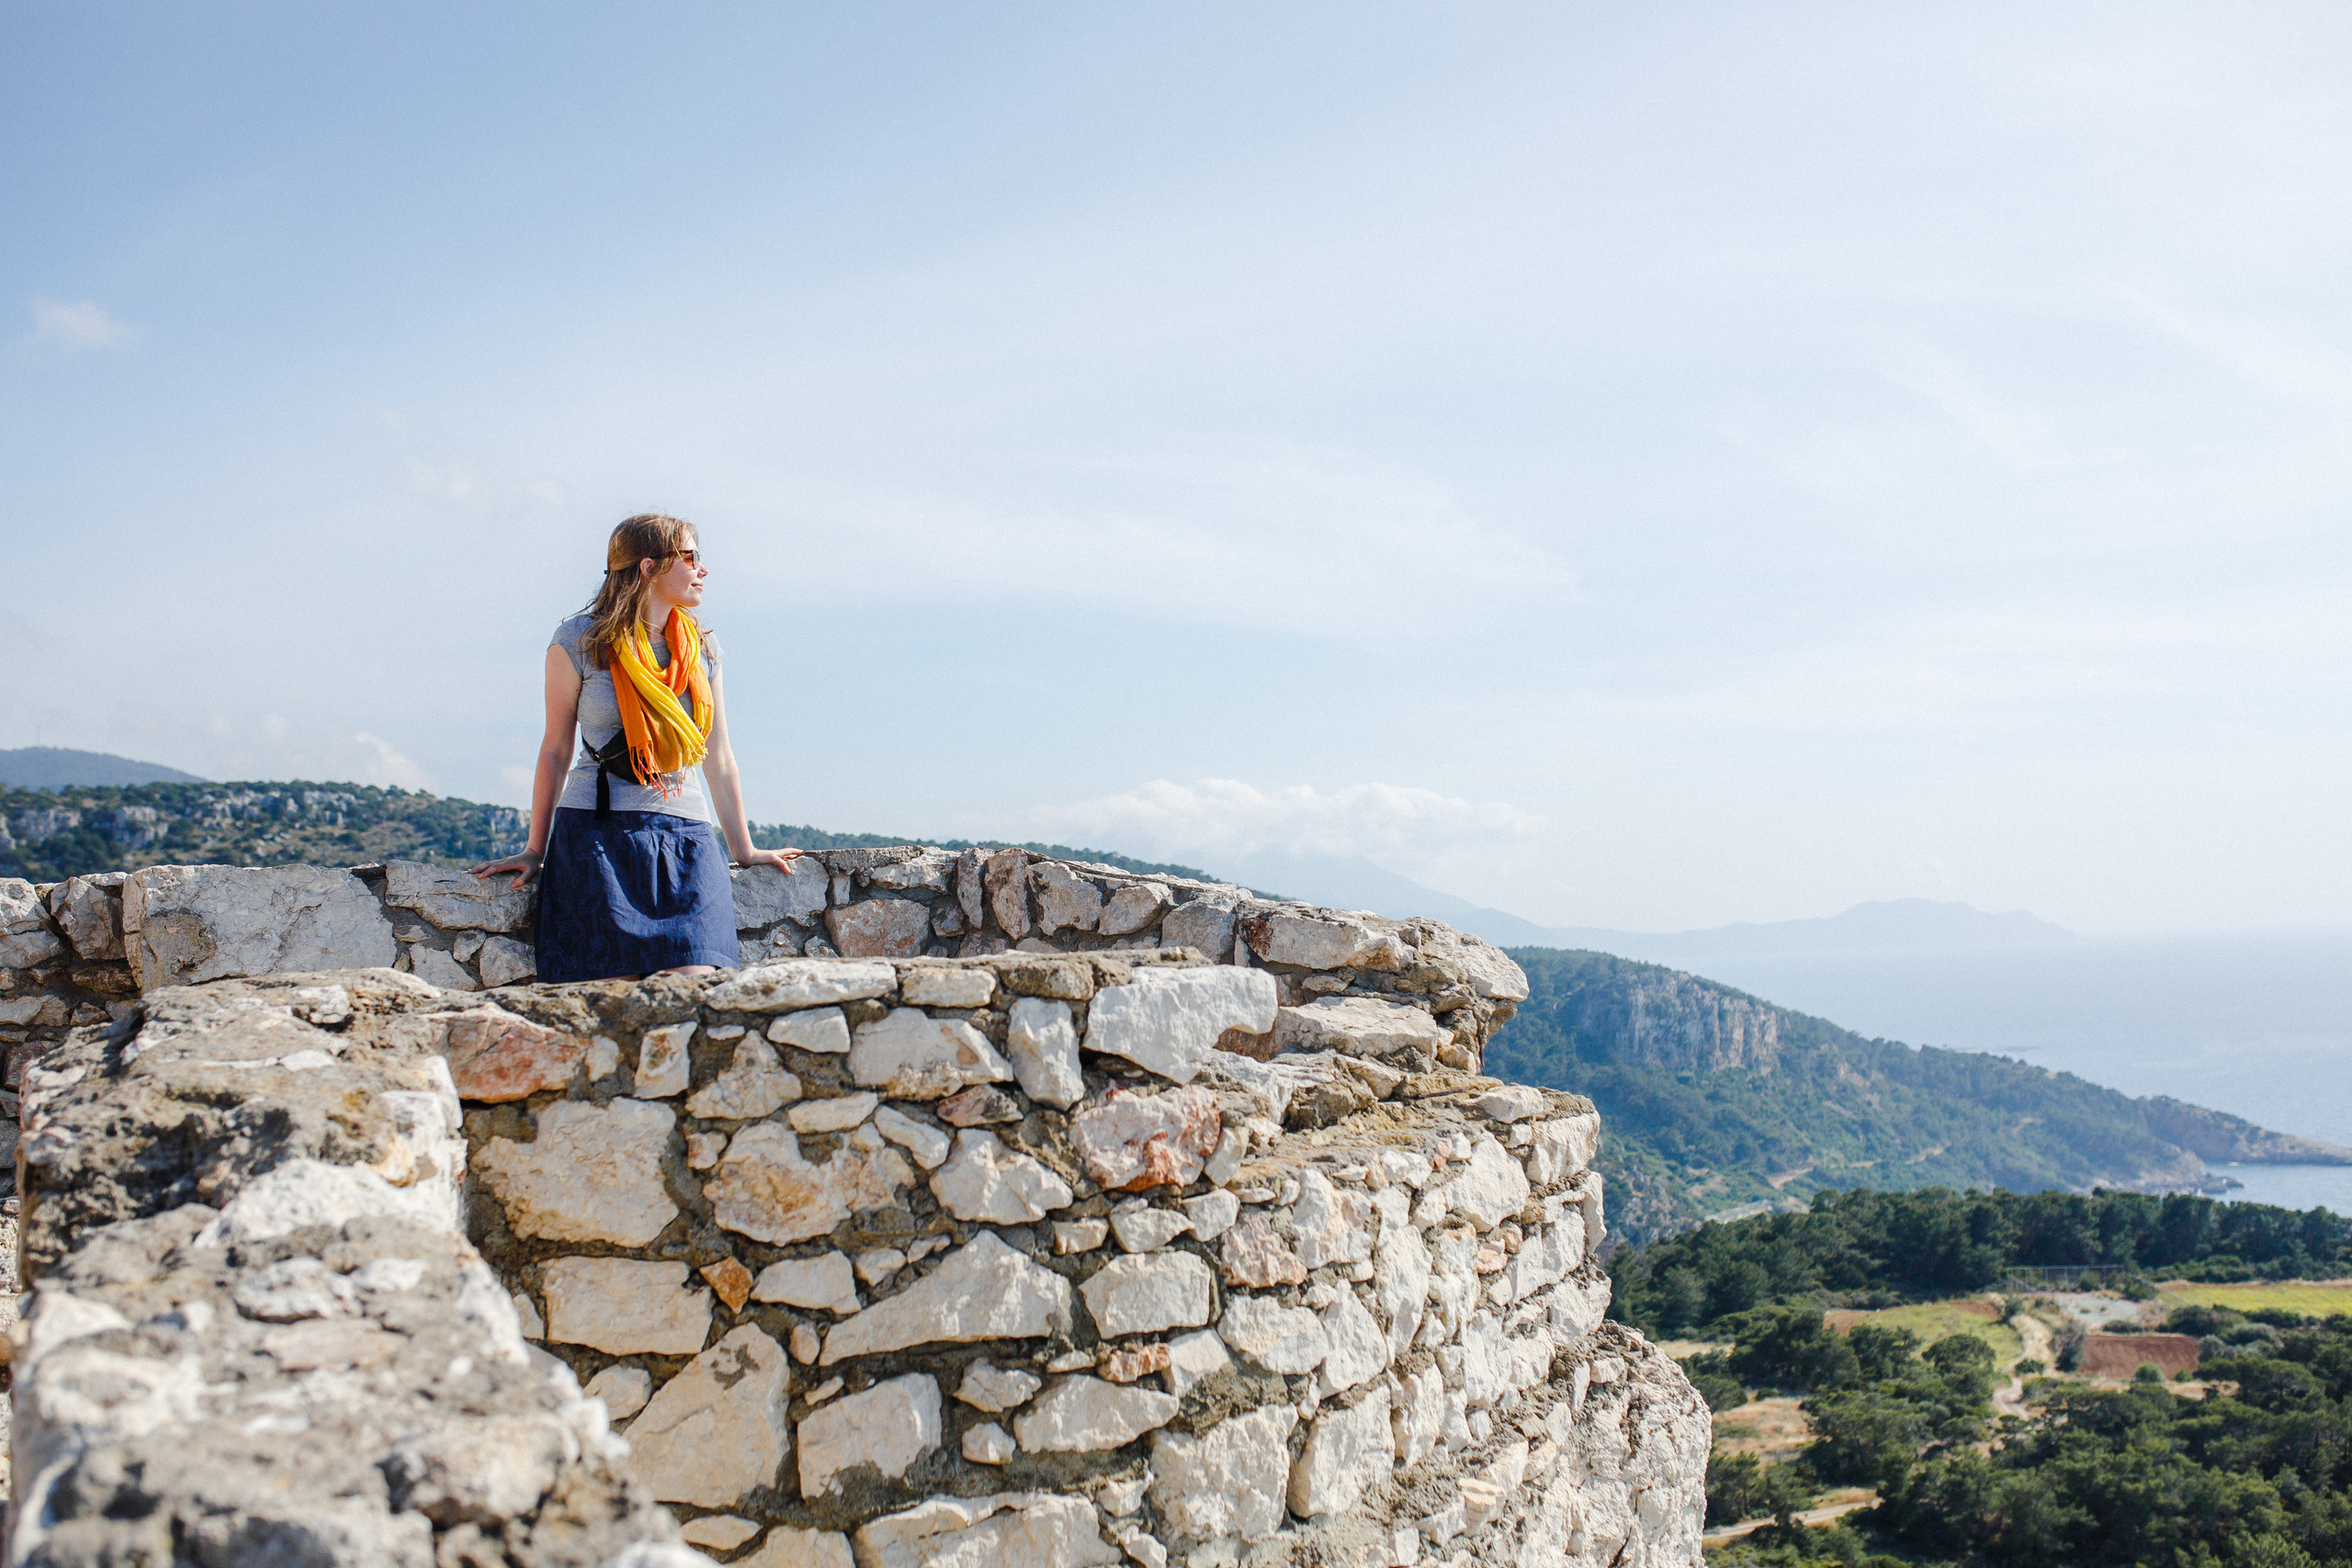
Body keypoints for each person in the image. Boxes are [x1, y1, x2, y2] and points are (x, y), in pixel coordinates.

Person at [472, 513, 802, 981]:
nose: (702, 569)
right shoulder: (580, 641)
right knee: (609, 993)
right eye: (690, 557)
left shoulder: (703, 650)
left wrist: (743, 849)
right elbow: (555, 750)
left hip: (686, 836)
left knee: (697, 982)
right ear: (648, 567)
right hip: (596, 836)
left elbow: (718, 755)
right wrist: (534, 848)